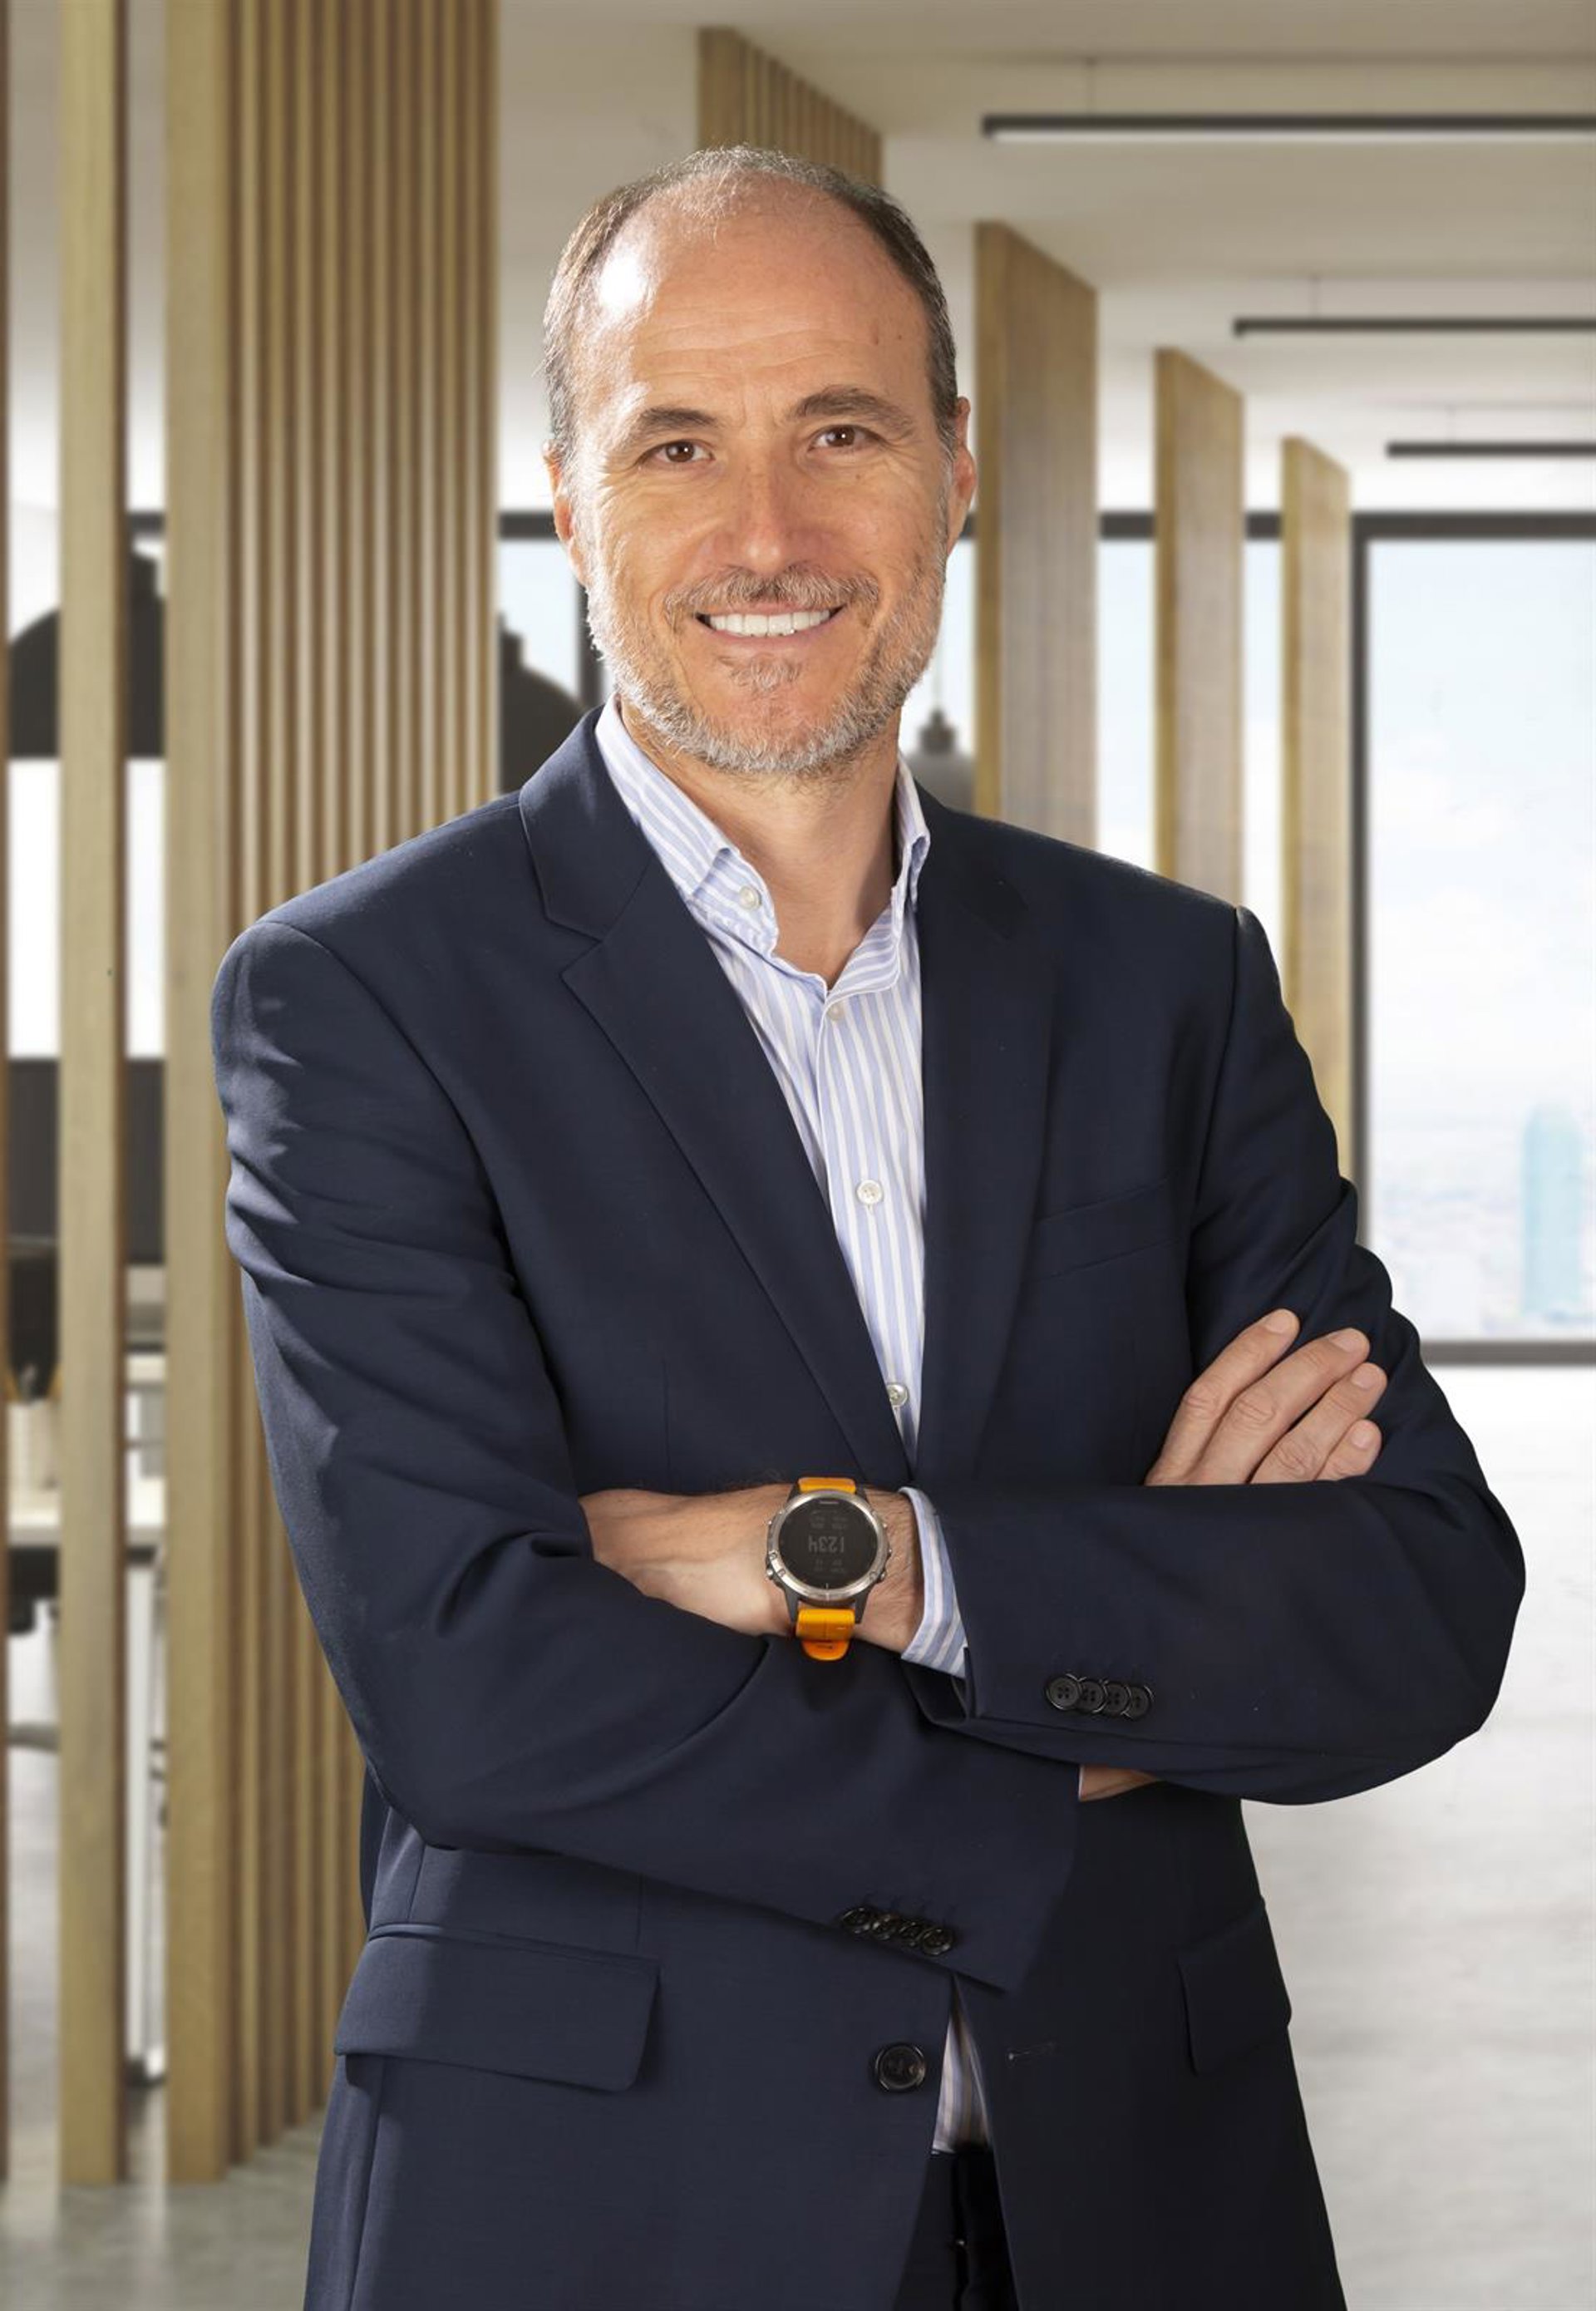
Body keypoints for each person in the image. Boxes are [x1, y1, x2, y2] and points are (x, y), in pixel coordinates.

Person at [209, 145, 1525, 2311]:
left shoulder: (1164, 986)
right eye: (676, 445)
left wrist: (862, 1560)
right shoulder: (365, 999)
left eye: (841, 430)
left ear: (956, 469)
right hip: (605, 2218)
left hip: (1150, 2200)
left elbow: (1416, 1600)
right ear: (570, 498)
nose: (767, 532)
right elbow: (481, 1690)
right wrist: (1121, 1642)